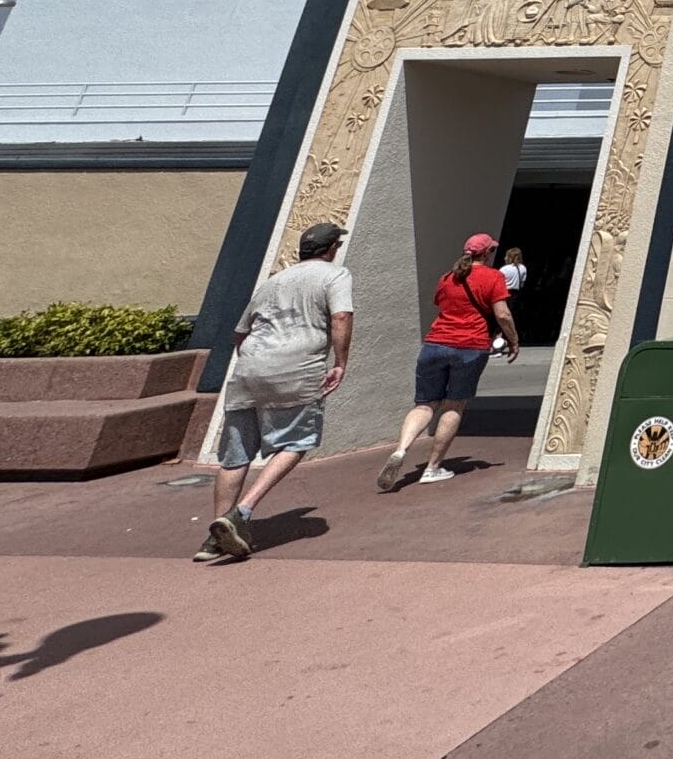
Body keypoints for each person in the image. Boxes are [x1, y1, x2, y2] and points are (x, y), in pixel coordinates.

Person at [201, 219, 353, 562]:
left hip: (250, 369)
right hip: (297, 369)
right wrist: (340, 361)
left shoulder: (273, 281)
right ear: (331, 250)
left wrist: (256, 364)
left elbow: (240, 333)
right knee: (298, 441)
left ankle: (213, 539)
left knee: (235, 455)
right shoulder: (334, 275)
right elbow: (341, 317)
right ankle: (241, 513)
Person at [376, 231, 518, 490]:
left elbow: (441, 305)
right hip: (470, 346)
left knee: (424, 405)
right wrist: (513, 339)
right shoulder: (493, 276)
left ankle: (401, 450)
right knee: (454, 405)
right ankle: (432, 467)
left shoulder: (447, 278)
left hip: (434, 343)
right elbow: (503, 314)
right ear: (486, 253)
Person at [495, 244, 527, 348]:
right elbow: (522, 282)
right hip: (517, 293)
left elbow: (498, 283)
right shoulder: (523, 268)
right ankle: (510, 339)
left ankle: (497, 341)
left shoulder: (504, 269)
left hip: (505, 293)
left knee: (500, 317)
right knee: (512, 316)